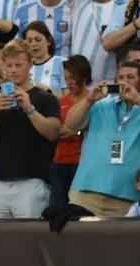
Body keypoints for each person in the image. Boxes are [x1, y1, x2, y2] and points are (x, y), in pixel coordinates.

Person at [66, 60, 140, 216]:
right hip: (86, 193)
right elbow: (70, 123)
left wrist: (138, 100)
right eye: (120, 77)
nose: (125, 82)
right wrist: (89, 99)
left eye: (130, 77)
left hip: (127, 199)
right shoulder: (99, 104)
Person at [0, 40, 62, 218]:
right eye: (9, 65)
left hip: (32, 183)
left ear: (30, 64)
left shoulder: (45, 98)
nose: (14, 70)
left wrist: (30, 109)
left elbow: (53, 132)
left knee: (29, 241)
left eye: (19, 65)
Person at [52, 55, 92, 212]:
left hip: (83, 162)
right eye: (66, 78)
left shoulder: (94, 99)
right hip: (59, 161)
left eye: (73, 78)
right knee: (57, 207)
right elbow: (58, 131)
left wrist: (76, 130)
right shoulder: (61, 102)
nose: (69, 82)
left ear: (84, 76)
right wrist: (78, 130)